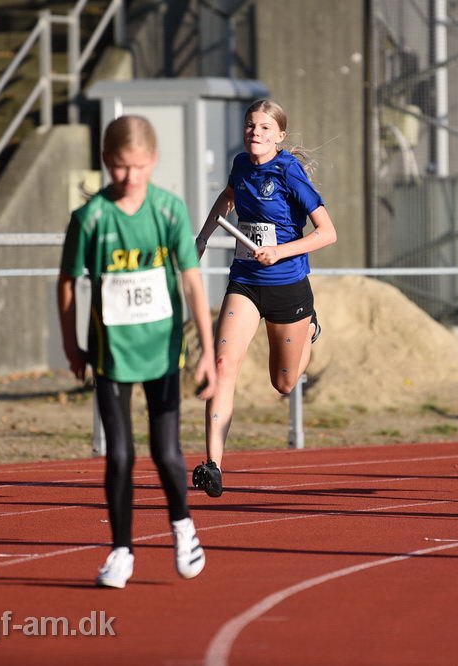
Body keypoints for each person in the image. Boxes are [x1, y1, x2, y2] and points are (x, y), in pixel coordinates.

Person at [57, 115, 217, 589]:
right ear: (107, 162)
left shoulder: (168, 211)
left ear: (154, 162)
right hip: (111, 354)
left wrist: (206, 351)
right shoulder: (90, 219)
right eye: (122, 167)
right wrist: (72, 344)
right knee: (120, 456)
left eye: (141, 167)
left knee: (166, 453)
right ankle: (122, 551)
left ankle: (183, 528)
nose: (131, 177)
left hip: (163, 350)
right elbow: (67, 282)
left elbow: (191, 279)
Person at [191, 98, 337, 498]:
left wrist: (280, 251)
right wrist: (201, 239)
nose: (255, 132)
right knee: (223, 364)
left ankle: (308, 328)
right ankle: (213, 464)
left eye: (265, 128)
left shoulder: (288, 171)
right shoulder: (240, 164)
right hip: (245, 281)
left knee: (285, 385)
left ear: (280, 136)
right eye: (251, 126)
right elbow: (227, 197)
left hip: (288, 285)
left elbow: (327, 233)